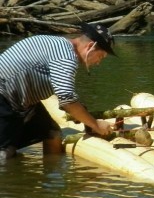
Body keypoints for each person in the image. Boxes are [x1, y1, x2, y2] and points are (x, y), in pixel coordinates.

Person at [0, 23, 117, 160]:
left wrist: (82, 113)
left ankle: (50, 178)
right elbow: (67, 99)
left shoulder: (57, 44)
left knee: (52, 133)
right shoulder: (66, 56)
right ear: (90, 47)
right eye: (100, 57)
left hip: (20, 101)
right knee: (4, 154)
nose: (98, 63)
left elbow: (62, 91)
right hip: (4, 99)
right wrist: (96, 124)